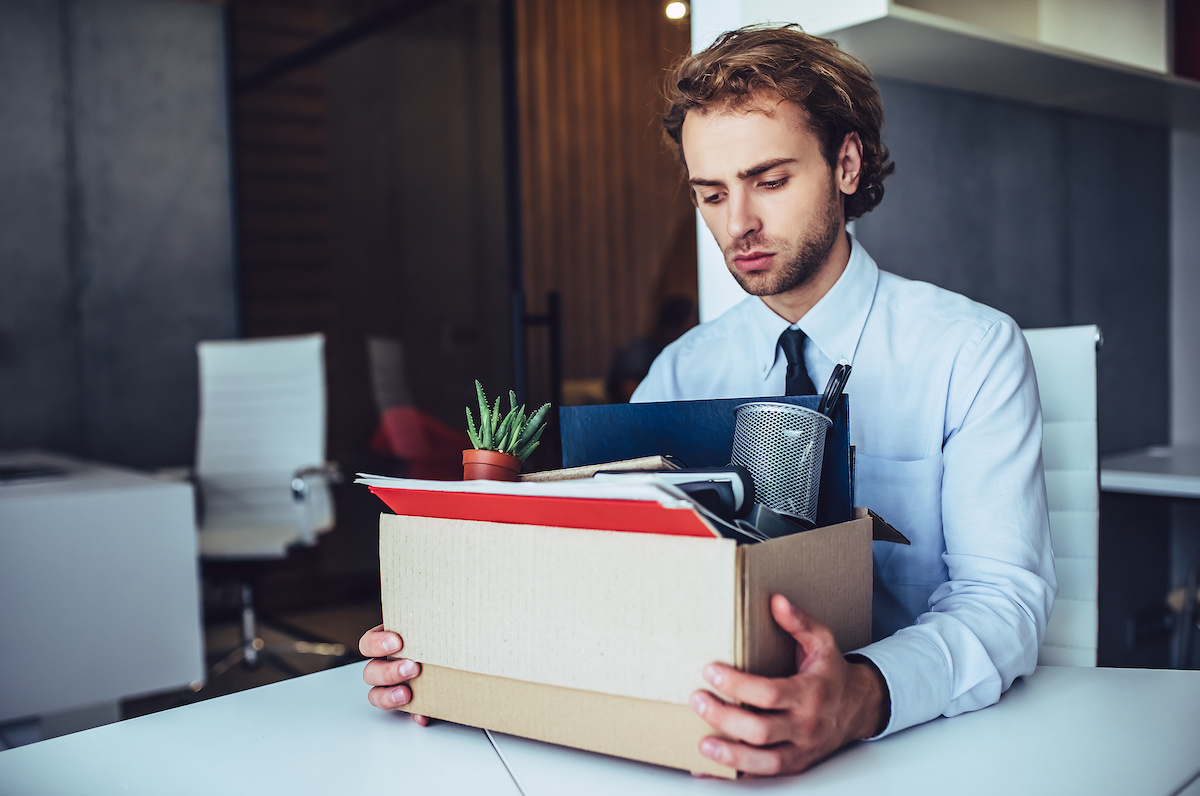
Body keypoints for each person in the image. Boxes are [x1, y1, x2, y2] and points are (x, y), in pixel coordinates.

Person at [360, 23, 1056, 778]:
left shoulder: (972, 351)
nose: (738, 224)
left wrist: (858, 696)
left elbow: (1005, 601)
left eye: (771, 180)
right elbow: (608, 581)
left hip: (926, 750)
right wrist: (458, 655)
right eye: (712, 193)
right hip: (699, 740)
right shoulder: (680, 373)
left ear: (846, 163)